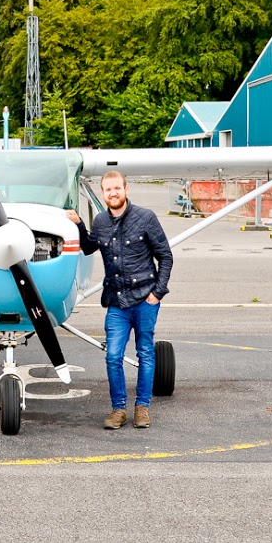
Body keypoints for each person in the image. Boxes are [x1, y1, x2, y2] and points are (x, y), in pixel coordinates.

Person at [67, 171, 172, 429]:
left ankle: (142, 408)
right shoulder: (101, 221)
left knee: (145, 352)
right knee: (113, 356)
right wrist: (79, 224)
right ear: (102, 194)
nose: (112, 193)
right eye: (107, 190)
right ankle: (118, 410)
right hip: (116, 302)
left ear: (126, 189)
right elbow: (90, 246)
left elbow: (166, 257)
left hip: (145, 300)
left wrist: (157, 293)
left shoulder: (146, 217)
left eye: (117, 188)